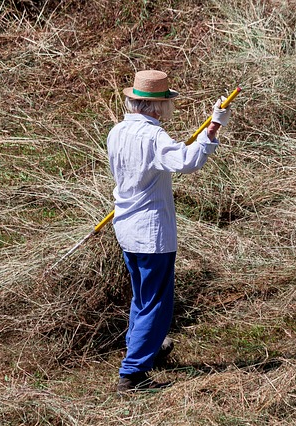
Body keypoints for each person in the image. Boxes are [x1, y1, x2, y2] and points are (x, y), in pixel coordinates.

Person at [107, 69, 231, 393]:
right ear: (156, 106)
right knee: (156, 303)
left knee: (142, 297)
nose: (167, 109)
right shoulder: (153, 136)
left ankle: (148, 350)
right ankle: (133, 374)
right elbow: (187, 161)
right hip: (150, 232)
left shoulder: (116, 132)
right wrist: (214, 127)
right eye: (166, 103)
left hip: (126, 226)